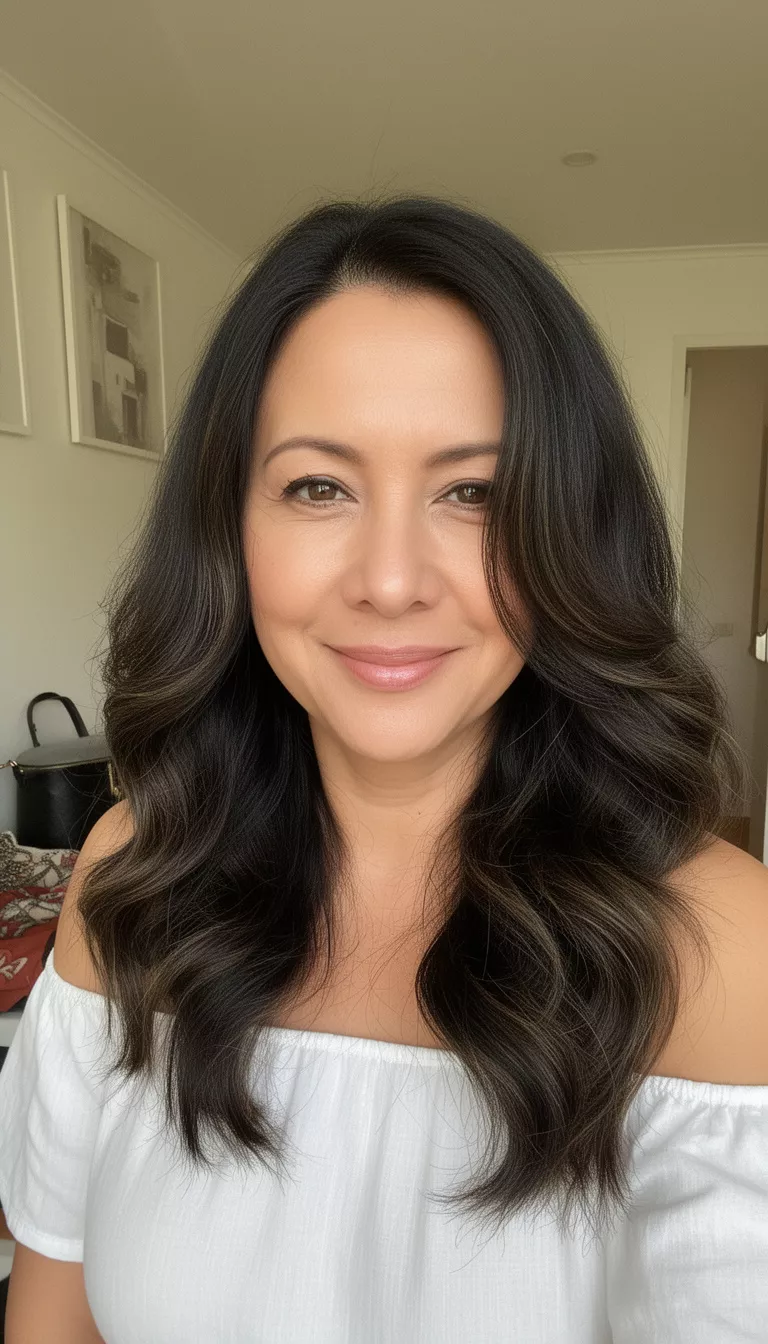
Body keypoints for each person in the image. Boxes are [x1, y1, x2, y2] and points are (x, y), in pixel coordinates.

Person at [1, 194, 767, 1343]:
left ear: (571, 534)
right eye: (319, 486)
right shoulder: (134, 876)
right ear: (229, 528)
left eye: (476, 493)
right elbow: (52, 1312)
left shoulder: (720, 952)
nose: (394, 579)